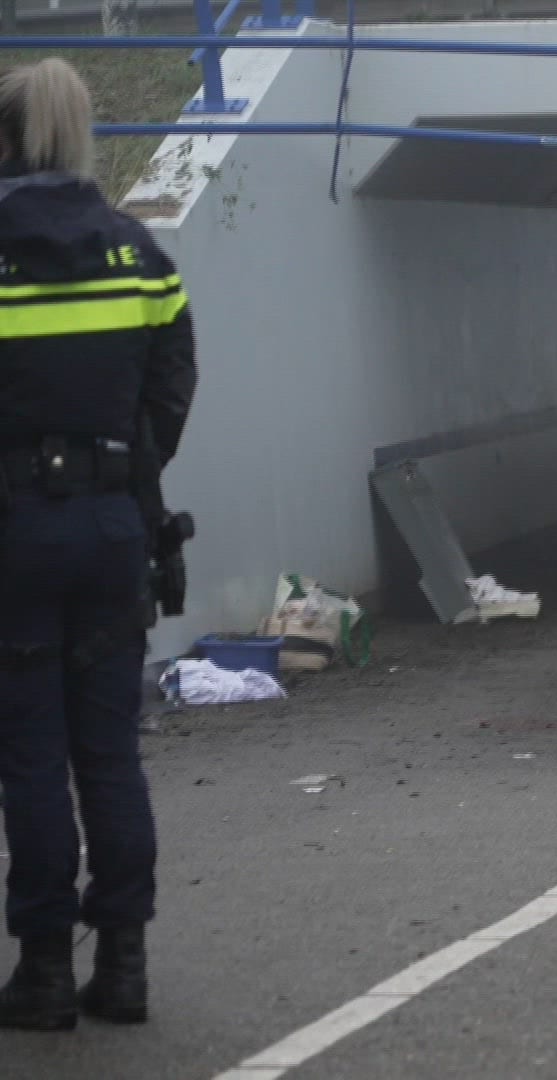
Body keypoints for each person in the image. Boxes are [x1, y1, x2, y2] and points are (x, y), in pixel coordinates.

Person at [0, 57, 196, 1031]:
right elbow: (173, 384)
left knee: (31, 755)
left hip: (14, 535)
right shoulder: (140, 253)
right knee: (110, 754)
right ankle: (124, 968)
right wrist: (126, 472)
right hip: (116, 529)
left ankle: (41, 973)